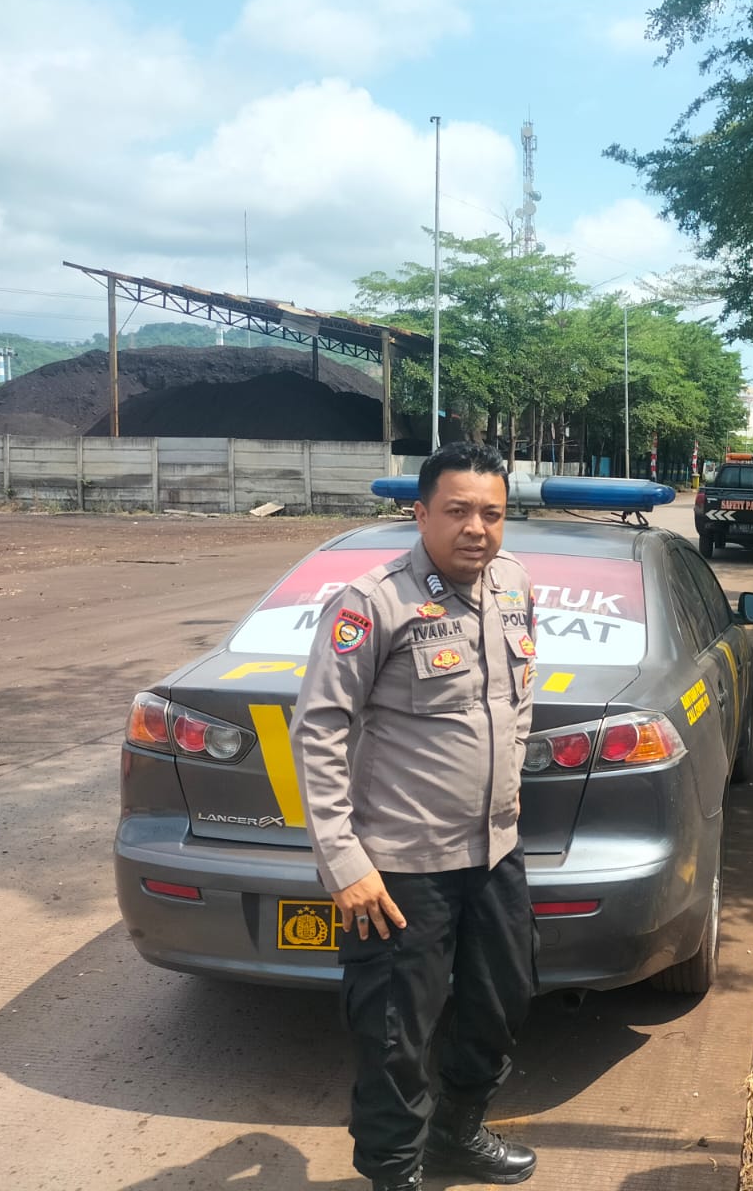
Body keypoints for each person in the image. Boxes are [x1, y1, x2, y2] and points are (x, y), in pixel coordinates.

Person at [292, 442, 539, 1191]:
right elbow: (318, 731)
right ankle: (395, 1173)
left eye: (492, 513)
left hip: (493, 854)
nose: (476, 528)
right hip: (399, 869)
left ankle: (457, 1136)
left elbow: (517, 702)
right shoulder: (373, 602)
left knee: (501, 1006)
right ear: (421, 513)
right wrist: (344, 861)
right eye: (458, 511)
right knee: (395, 1036)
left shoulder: (514, 584)